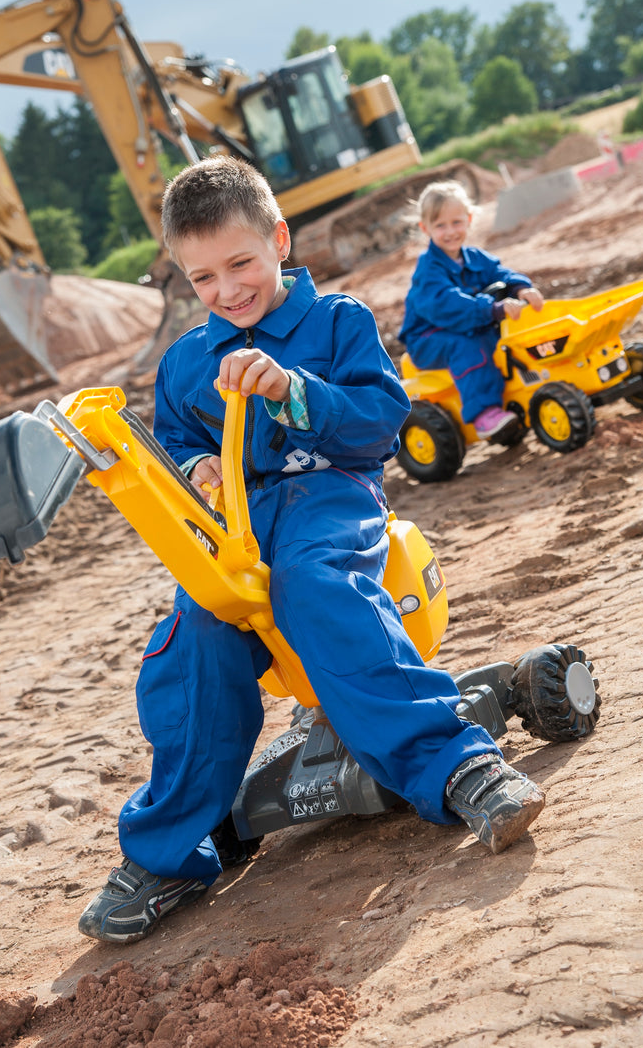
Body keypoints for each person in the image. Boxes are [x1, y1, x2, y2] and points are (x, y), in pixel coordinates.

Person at [78, 158, 545, 945]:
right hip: (245, 521)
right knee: (193, 636)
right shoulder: (186, 360)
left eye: (240, 264)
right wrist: (196, 471)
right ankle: (168, 851)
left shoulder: (337, 323)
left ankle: (457, 764)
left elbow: (379, 421)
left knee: (312, 580)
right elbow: (185, 440)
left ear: (279, 240)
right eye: (203, 278)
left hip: (329, 497)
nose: (227, 291)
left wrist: (293, 389)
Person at [399, 180, 544, 441]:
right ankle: (484, 414)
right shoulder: (428, 269)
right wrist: (492, 308)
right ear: (425, 228)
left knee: (507, 337)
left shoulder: (476, 257)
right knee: (467, 344)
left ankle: (518, 392)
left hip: (469, 323)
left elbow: (501, 273)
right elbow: (447, 304)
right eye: (440, 225)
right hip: (428, 338)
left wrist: (521, 288)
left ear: (469, 219)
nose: (450, 231)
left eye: (456, 222)